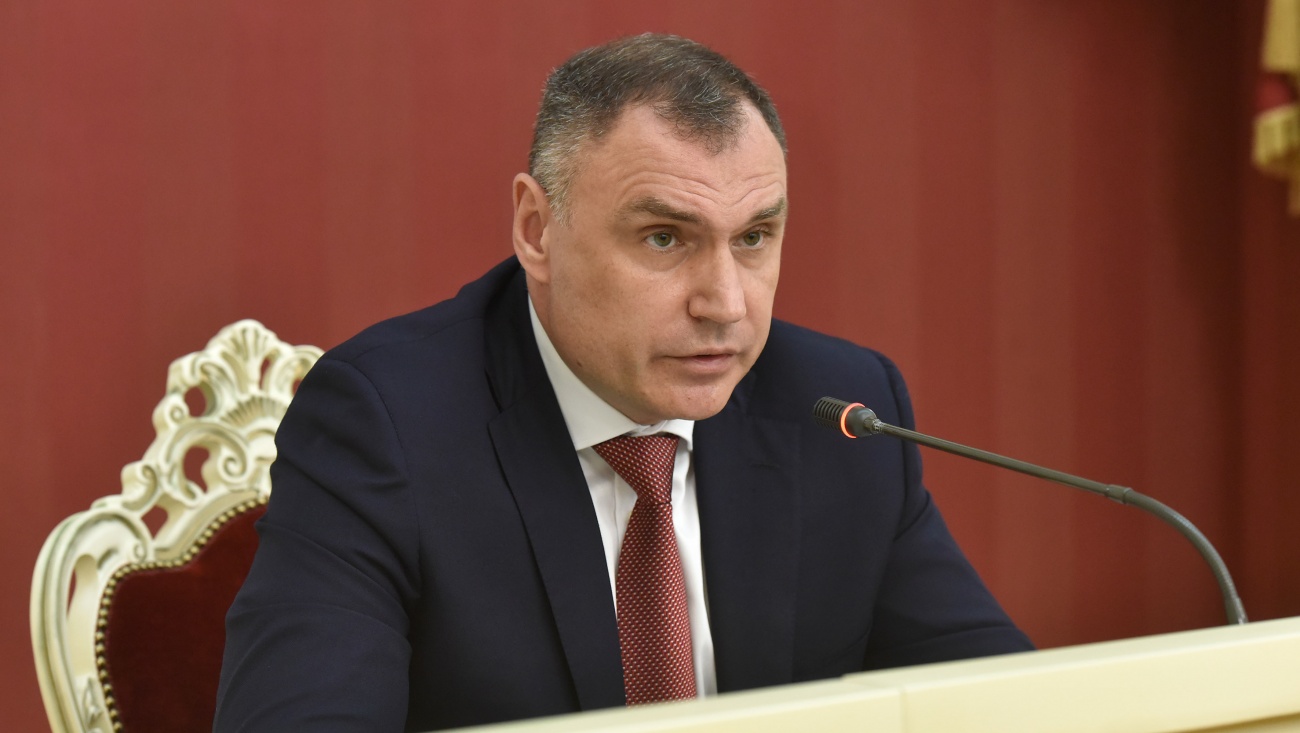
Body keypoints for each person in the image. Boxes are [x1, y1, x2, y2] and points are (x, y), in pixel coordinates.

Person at [214, 33, 1033, 732]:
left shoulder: (838, 412)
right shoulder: (385, 423)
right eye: (665, 238)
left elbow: (1008, 705)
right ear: (538, 230)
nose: (725, 304)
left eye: (754, 237)